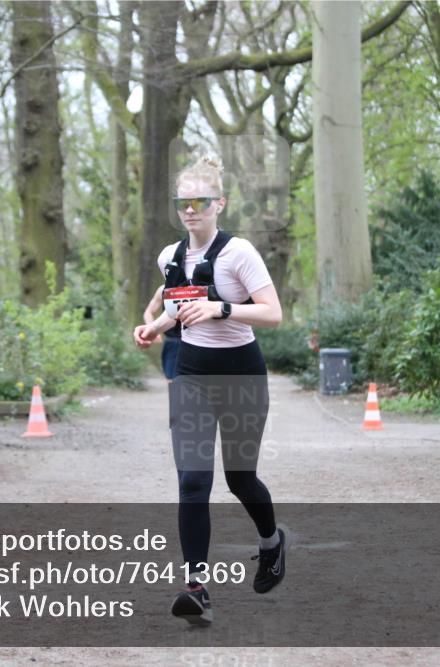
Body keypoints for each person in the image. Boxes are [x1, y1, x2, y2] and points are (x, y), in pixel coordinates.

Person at [133, 155, 287, 627]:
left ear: (219, 203)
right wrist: (156, 326)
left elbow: (272, 313)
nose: (190, 209)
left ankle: (271, 541)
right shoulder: (170, 256)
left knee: (240, 478)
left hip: (242, 375)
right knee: (193, 481)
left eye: (200, 201)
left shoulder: (238, 252)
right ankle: (196, 587)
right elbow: (178, 306)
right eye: (183, 202)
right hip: (193, 376)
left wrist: (222, 309)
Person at [142, 285, 182, 381]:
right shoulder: (164, 289)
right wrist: (152, 329)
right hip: (173, 342)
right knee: (171, 381)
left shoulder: (201, 286)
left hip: (196, 341)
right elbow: (148, 312)